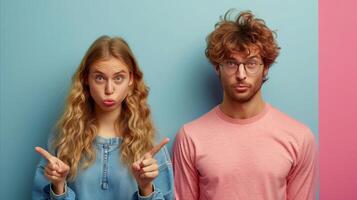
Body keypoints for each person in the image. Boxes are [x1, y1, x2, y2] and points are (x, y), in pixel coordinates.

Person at [173, 10, 317, 200]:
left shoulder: (299, 137)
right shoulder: (190, 137)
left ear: (265, 68)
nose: (241, 74)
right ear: (218, 68)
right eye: (231, 63)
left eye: (251, 63)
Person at [32, 36, 174, 200]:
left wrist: (146, 189)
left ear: (131, 79)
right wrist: (58, 187)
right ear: (86, 79)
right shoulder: (63, 137)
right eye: (100, 78)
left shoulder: (150, 141)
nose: (109, 89)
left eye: (118, 78)